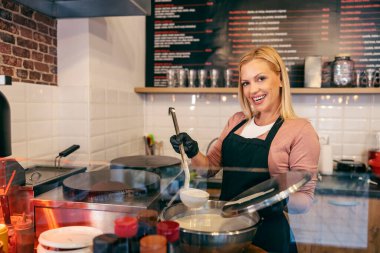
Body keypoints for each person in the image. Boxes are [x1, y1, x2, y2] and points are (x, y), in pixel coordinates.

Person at [170, 45, 320, 253]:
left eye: (261, 79)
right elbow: (210, 167)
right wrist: (192, 151)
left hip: (266, 235)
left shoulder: (299, 129)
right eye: (245, 83)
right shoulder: (237, 121)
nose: (252, 90)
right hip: (226, 231)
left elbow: (305, 199)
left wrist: (281, 200)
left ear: (279, 78)